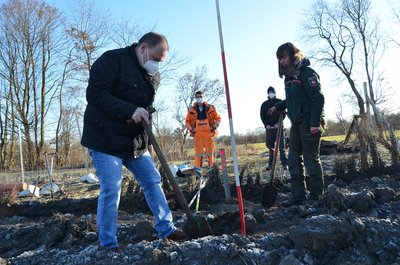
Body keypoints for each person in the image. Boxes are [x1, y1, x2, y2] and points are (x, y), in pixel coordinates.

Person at [81, 32, 186, 252]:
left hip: (134, 140)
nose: (157, 65)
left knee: (152, 180)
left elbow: (146, 110)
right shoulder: (112, 60)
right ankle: (108, 243)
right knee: (112, 187)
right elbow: (96, 94)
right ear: (143, 48)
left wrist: (146, 140)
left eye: (160, 62)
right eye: (156, 59)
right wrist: (130, 110)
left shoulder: (153, 77)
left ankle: (166, 228)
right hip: (104, 138)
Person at [268, 42, 325, 206]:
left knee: (310, 158)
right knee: (293, 158)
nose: (281, 62)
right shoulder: (289, 78)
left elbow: (318, 98)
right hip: (297, 123)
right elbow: (291, 99)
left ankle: (317, 196)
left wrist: (315, 123)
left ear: (293, 56)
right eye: (279, 59)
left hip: (310, 122)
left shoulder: (307, 73)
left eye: (284, 57)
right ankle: (298, 196)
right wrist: (277, 106)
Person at [185, 91, 221, 177]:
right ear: (195, 98)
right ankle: (198, 172)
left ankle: (211, 171)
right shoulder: (191, 110)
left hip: (209, 134)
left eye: (200, 96)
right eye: (197, 97)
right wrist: (191, 129)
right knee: (198, 153)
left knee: (210, 153)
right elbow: (187, 121)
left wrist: (214, 126)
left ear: (203, 97)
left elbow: (218, 118)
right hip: (198, 134)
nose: (199, 98)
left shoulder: (211, 108)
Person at [260, 86, 288, 171]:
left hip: (279, 129)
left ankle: (285, 164)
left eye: (272, 92)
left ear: (275, 93)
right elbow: (262, 116)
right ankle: (271, 165)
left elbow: (284, 114)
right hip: (269, 130)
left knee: (281, 148)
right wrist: (266, 125)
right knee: (271, 148)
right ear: (268, 94)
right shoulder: (264, 104)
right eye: (270, 92)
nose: (271, 93)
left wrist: (278, 124)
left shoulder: (280, 102)